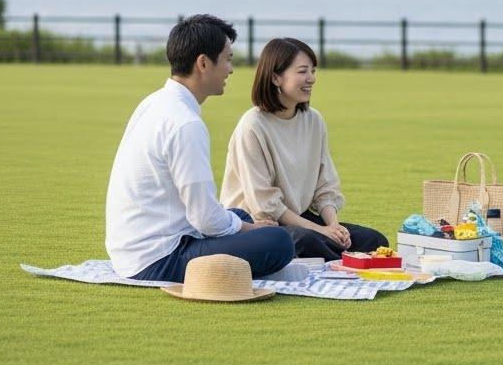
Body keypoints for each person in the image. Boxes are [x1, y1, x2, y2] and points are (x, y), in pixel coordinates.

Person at [106, 15, 295, 281]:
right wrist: (248, 230)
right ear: (203, 63)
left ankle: (249, 229)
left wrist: (242, 225)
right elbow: (206, 219)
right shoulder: (185, 123)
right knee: (278, 242)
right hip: (159, 258)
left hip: (133, 250)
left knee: (240, 215)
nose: (230, 69)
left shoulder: (155, 103)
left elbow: (205, 214)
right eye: (227, 58)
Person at [220, 37, 390, 260]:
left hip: (298, 218)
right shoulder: (253, 126)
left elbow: (324, 186)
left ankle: (330, 257)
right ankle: (337, 258)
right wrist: (320, 230)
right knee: (305, 241)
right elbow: (265, 205)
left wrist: (334, 226)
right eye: (303, 71)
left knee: (374, 240)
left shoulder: (314, 121)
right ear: (275, 77)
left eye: (313, 70)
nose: (312, 78)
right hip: (257, 223)